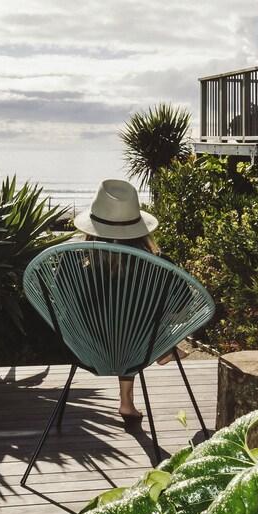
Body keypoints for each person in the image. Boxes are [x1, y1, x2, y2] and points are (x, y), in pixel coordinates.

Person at [72, 178, 188, 428]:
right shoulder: (158, 265)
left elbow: (65, 309)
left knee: (121, 322)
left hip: (87, 347)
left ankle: (128, 400)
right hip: (138, 347)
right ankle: (165, 347)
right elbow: (183, 308)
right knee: (138, 322)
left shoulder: (75, 266)